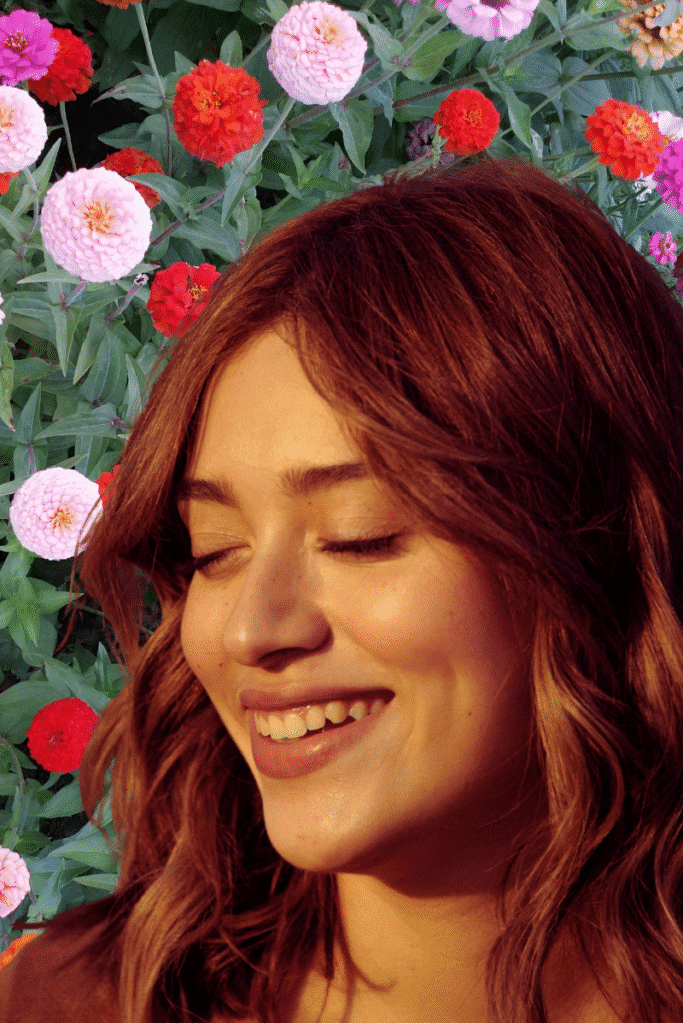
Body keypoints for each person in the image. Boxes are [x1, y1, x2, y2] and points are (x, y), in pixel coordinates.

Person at [1, 155, 683, 1024]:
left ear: (594, 550)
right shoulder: (71, 1003)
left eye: (360, 536)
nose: (251, 629)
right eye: (215, 551)